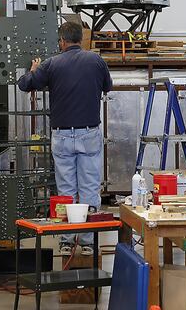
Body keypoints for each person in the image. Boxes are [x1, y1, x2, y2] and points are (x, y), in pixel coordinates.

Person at [17, 21, 112, 256]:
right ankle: (88, 241)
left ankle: (68, 241)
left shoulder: (51, 64)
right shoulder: (96, 61)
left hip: (61, 134)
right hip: (89, 133)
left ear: (61, 41)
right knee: (90, 187)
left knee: (66, 190)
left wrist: (33, 69)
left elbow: (24, 85)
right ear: (81, 39)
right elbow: (108, 87)